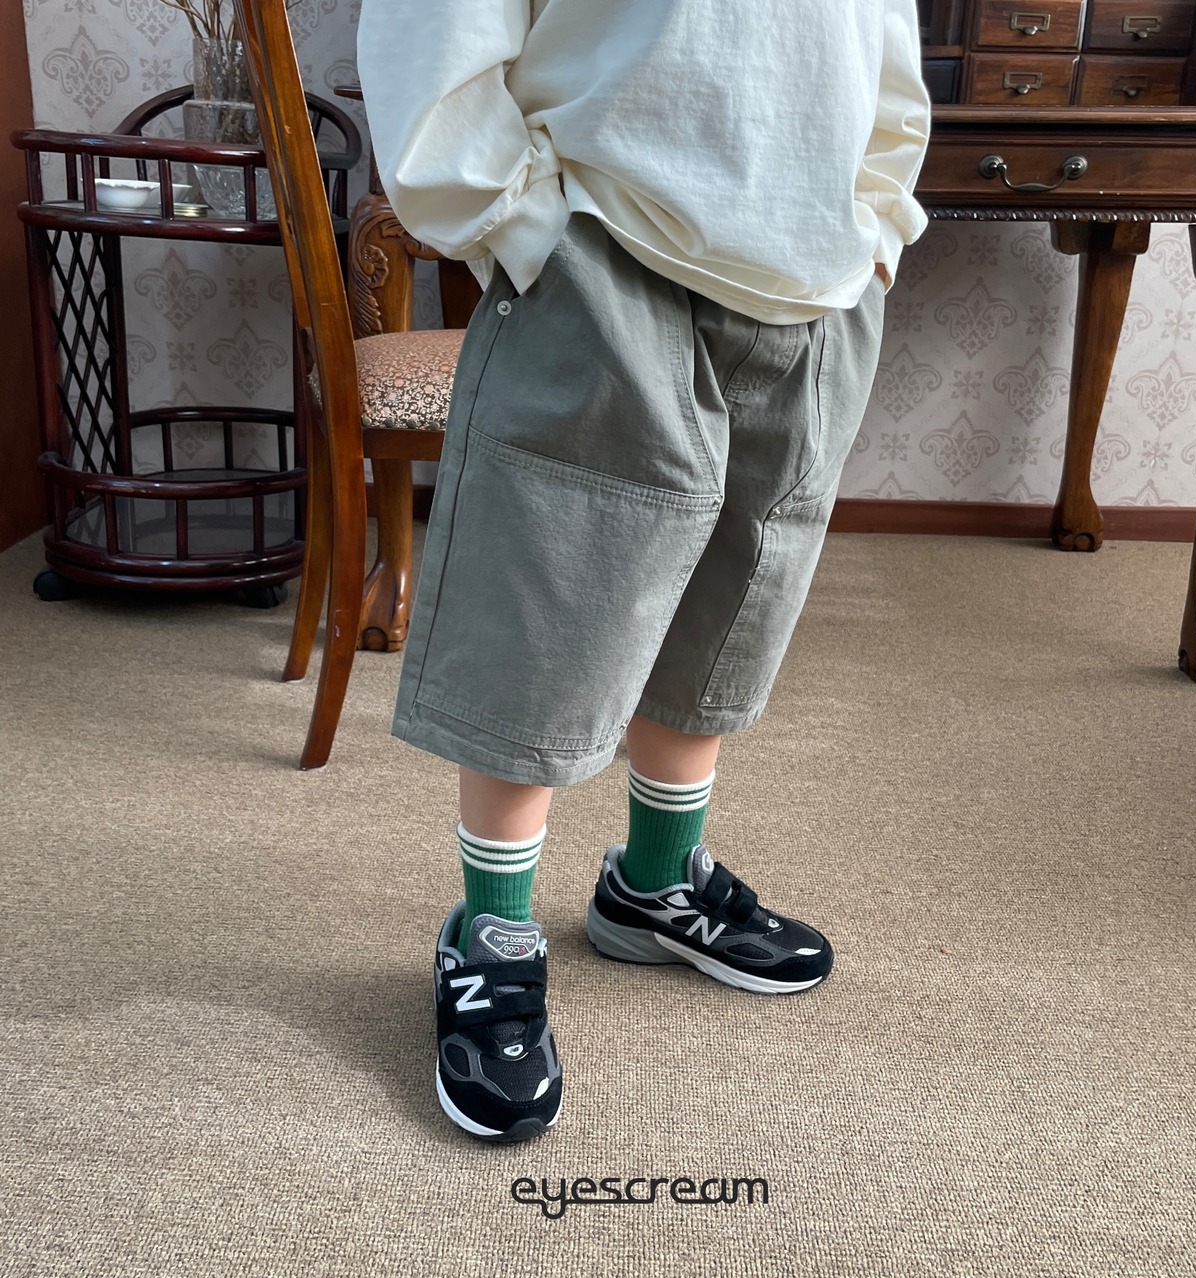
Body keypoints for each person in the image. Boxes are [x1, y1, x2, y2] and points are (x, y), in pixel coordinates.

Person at [356, 0, 931, 1143]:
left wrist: (875, 225)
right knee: (547, 601)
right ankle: (492, 930)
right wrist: (524, 227)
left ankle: (654, 881)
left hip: (815, 270)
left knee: (734, 595)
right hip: (604, 246)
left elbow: (886, 50)